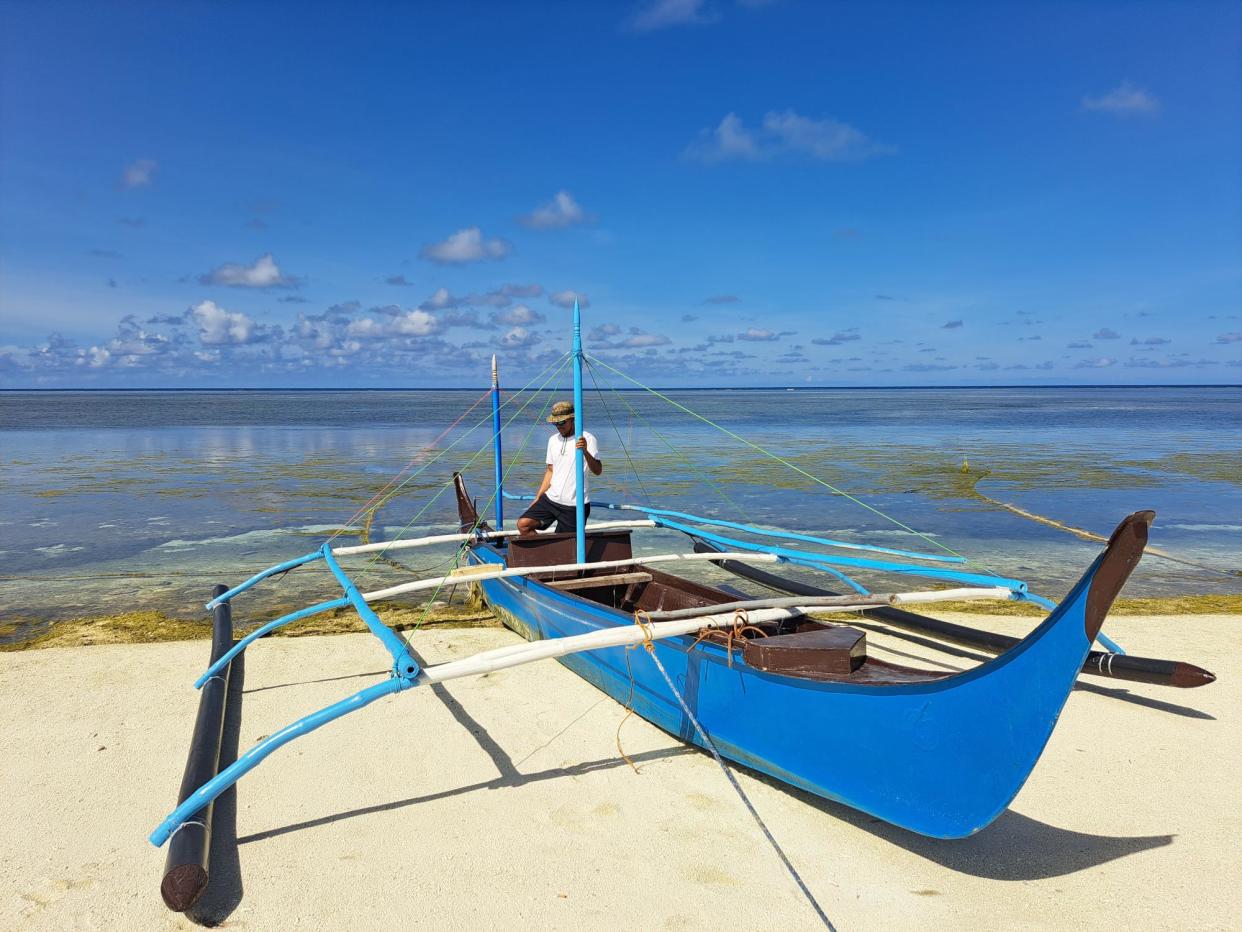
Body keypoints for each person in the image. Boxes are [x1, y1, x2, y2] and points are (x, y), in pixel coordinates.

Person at [517, 401, 602, 536]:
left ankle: (554, 555)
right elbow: (550, 470)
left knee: (565, 544)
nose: (558, 426)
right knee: (523, 524)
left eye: (562, 422)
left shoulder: (587, 439)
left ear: (572, 419)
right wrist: (538, 497)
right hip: (551, 499)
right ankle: (543, 556)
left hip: (574, 505)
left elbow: (598, 470)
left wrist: (585, 451)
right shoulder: (552, 440)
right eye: (555, 423)